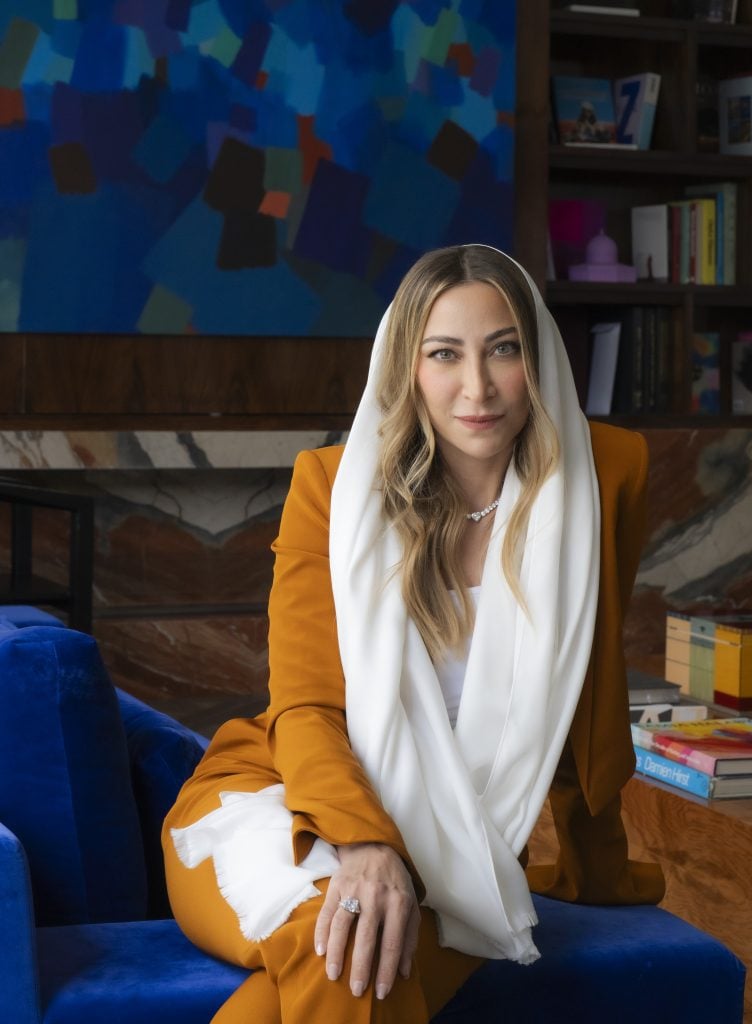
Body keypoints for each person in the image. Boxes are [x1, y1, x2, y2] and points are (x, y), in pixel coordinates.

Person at [162, 244, 665, 1023]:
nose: (478, 387)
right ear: (407, 368)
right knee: (351, 946)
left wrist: (593, 867)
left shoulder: (600, 478)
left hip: (460, 845)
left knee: (350, 969)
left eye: (505, 349)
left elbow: (588, 689)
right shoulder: (333, 489)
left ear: (539, 359)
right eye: (444, 355)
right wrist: (367, 847)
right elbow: (306, 707)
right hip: (282, 802)